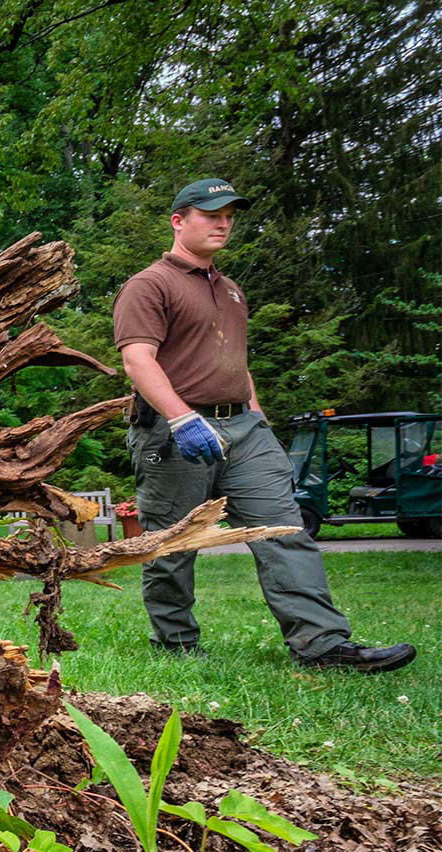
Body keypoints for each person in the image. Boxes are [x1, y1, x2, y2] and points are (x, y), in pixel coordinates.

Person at [112, 179, 415, 672]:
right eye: (210, 213)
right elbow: (138, 361)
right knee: (171, 544)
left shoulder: (231, 290)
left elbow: (235, 361)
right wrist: (182, 419)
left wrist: (258, 417)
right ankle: (175, 642)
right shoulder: (150, 284)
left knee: (284, 530)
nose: (222, 222)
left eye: (229, 214)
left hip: (244, 431)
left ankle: (321, 645)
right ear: (178, 220)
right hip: (174, 433)